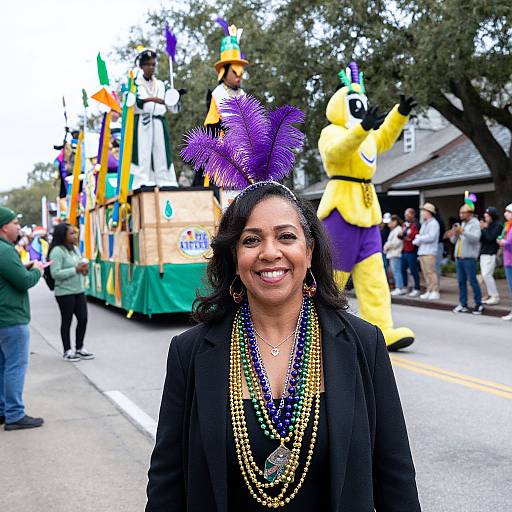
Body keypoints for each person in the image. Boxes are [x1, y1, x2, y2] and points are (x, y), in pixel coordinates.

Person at [148, 97, 421, 510]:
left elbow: (395, 474)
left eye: (286, 236)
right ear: (233, 258)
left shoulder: (363, 344)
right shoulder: (189, 353)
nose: (270, 252)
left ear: (309, 252)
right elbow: (167, 483)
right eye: (251, 239)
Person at [317, 61, 417, 350]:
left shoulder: (366, 133)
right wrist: (361, 128)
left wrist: (400, 115)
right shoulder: (332, 132)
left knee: (374, 276)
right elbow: (337, 152)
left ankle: (381, 329)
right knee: (333, 275)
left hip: (367, 207)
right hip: (341, 207)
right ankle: (319, 329)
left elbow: (383, 138)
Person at [0, 206, 44, 430]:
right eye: (15, 223)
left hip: (3, 319)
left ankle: (3, 410)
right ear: (4, 227)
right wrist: (37, 269)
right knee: (15, 366)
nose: (18, 227)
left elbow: (10, 274)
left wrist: (24, 267)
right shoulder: (5, 250)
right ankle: (15, 414)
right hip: (11, 318)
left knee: (3, 367)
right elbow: (23, 281)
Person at [192, 18, 248, 187]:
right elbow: (213, 124)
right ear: (224, 72)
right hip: (222, 148)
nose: (239, 76)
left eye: (241, 72)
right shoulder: (217, 93)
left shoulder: (244, 94)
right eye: (234, 72)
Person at [130, 48, 182, 189]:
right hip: (143, 121)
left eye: (153, 64)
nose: (151, 67)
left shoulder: (161, 84)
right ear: (141, 66)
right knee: (143, 151)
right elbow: (133, 103)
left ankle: (165, 180)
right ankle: (141, 180)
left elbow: (172, 106)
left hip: (159, 120)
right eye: (148, 64)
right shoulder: (135, 83)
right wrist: (151, 99)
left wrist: (175, 96)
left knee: (161, 151)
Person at [49, 223, 94, 362]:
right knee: (67, 320)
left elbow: (80, 264)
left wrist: (84, 268)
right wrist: (75, 269)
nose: (74, 236)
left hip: (79, 290)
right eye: (71, 233)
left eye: (75, 233)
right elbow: (55, 273)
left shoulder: (74, 249)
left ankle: (79, 348)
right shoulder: (57, 251)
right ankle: (67, 350)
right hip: (64, 292)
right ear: (63, 235)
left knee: (83, 318)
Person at [448, 203, 483, 314]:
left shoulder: (475, 223)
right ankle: (463, 304)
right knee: (461, 282)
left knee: (473, 281)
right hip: (459, 257)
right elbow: (453, 241)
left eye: (463, 213)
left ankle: (478, 304)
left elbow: (475, 238)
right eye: (460, 213)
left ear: (469, 213)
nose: (461, 215)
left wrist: (463, 231)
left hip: (469, 257)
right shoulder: (462, 223)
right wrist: (455, 233)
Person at [413, 203, 441, 300]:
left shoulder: (434, 223)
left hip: (430, 252)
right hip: (423, 251)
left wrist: (419, 238)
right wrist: (418, 239)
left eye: (424, 211)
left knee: (431, 272)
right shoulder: (425, 223)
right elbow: (421, 235)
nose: (422, 213)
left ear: (429, 212)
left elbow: (432, 237)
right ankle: (429, 290)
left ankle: (435, 291)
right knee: (425, 273)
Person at [479, 207, 503, 305]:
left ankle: (495, 296)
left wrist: (483, 228)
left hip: (491, 253)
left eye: (487, 216)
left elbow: (490, 237)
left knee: (487, 275)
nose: (486, 217)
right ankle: (489, 294)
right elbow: (482, 238)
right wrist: (483, 229)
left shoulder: (498, 225)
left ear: (492, 216)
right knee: (485, 275)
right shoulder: (488, 225)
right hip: (484, 252)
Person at [400, 208, 421, 297]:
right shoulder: (405, 224)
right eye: (405, 215)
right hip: (405, 249)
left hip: (412, 250)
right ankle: (405, 286)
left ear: (412, 215)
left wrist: (406, 238)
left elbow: (414, 237)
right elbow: (403, 235)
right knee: (402, 269)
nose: (406, 216)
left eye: (407, 215)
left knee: (413, 270)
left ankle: (417, 288)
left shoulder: (416, 225)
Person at [383, 214, 405, 295]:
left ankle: (399, 288)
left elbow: (396, 243)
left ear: (395, 222)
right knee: (395, 271)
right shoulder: (394, 230)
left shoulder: (398, 229)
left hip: (395, 253)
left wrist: (387, 246)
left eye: (390, 222)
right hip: (392, 253)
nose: (388, 224)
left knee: (396, 271)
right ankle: (398, 287)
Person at [497, 203, 512, 321]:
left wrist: (504, 243)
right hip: (508, 260)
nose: (505, 214)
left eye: (508, 212)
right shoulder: (508, 226)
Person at [380, 212, 392, 277]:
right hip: (382, 249)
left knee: (385, 265)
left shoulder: (389, 229)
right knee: (383, 265)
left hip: (387, 249)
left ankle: (386, 281)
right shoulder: (382, 228)